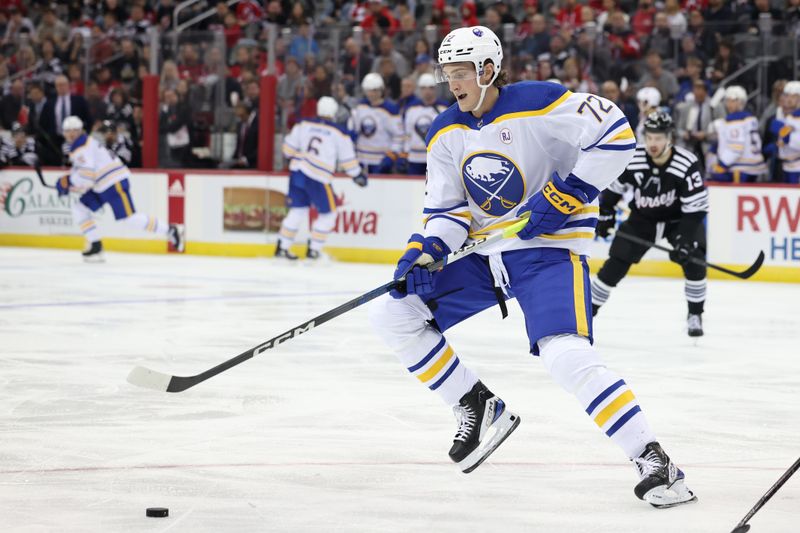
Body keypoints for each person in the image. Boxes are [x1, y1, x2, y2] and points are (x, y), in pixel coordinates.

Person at [369, 26, 696, 508]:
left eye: (460, 71)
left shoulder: (540, 102)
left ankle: (654, 459)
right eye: (447, 72)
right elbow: (446, 212)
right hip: (485, 258)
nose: (451, 81)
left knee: (564, 354)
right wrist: (428, 251)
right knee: (394, 314)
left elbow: (616, 133)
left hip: (548, 252)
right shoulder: (445, 131)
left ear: (487, 69)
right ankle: (476, 404)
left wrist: (572, 192)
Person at [591, 111, 708, 336]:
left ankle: (695, 314)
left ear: (670, 138)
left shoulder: (686, 163)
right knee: (615, 264)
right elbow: (614, 189)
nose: (653, 143)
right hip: (643, 219)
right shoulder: (633, 158)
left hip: (678, 220)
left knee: (695, 261)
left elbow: (695, 209)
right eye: (650, 137)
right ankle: (588, 312)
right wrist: (606, 213)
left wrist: (684, 240)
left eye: (659, 138)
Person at [55, 116, 182, 262]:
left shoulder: (82, 147)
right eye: (68, 131)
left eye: (74, 130)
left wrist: (68, 182)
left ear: (81, 130)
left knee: (129, 219)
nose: (71, 134)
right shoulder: (83, 144)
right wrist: (69, 181)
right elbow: (85, 172)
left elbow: (86, 177)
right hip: (102, 185)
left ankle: (170, 230)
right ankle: (95, 245)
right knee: (79, 207)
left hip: (113, 183)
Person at [276, 97, 368, 261]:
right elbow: (348, 161)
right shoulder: (339, 133)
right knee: (329, 214)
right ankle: (314, 250)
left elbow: (287, 150)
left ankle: (282, 247)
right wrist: (357, 175)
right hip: (318, 177)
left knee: (297, 210)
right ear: (334, 113)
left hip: (297, 172)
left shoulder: (303, 125)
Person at [709, 86, 767, 182]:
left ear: (741, 102)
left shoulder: (735, 120)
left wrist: (722, 164)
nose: (729, 104)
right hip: (755, 165)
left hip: (740, 167)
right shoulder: (751, 118)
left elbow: (735, 148)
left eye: (733, 101)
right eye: (728, 100)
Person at [350, 73, 403, 174]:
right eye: (369, 90)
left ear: (381, 90)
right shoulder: (360, 107)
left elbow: (399, 136)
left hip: (381, 161)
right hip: (362, 160)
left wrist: (391, 156)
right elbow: (355, 130)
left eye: (375, 90)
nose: (371, 94)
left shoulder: (390, 110)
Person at [398, 74, 449, 175]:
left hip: (437, 158)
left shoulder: (444, 108)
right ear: (419, 89)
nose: (427, 91)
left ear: (435, 89)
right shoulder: (411, 108)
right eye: (424, 88)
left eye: (431, 88)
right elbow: (407, 134)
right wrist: (404, 153)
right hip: (414, 159)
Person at [768, 81, 800, 184]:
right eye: (787, 96)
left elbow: (790, 138)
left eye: (794, 96)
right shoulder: (788, 117)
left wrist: (786, 136)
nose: (789, 100)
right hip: (785, 166)